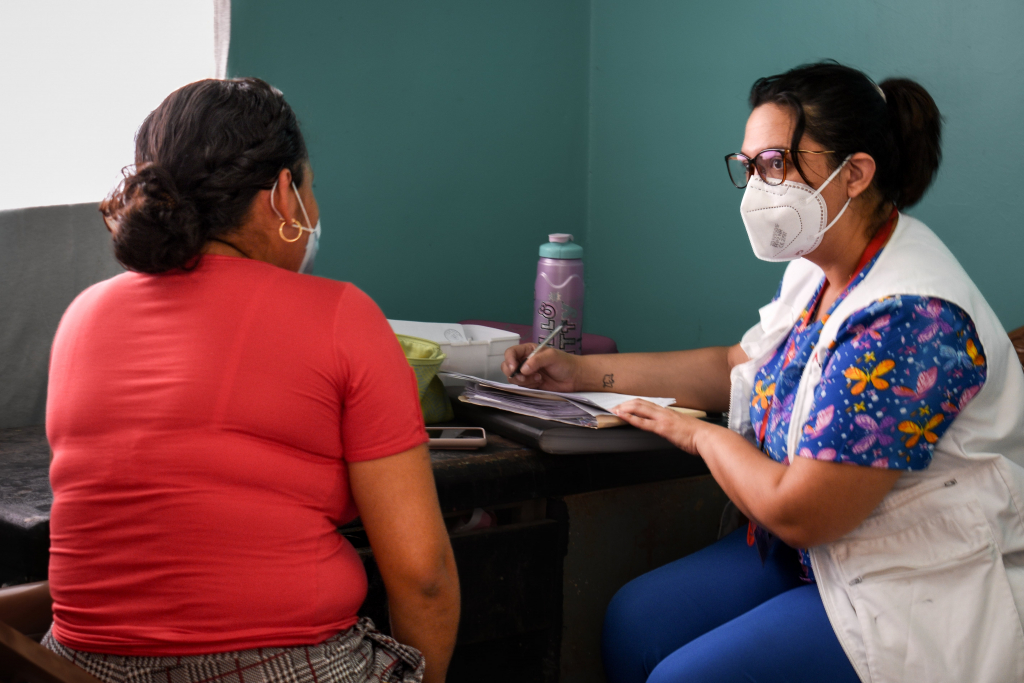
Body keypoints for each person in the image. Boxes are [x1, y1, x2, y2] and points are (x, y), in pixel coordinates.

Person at [502, 62, 1024, 683]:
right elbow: (737, 366)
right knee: (635, 619)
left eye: (775, 164)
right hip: (814, 555)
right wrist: (581, 370)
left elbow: (803, 512)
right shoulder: (820, 266)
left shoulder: (911, 317)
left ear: (854, 173)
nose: (757, 187)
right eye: (748, 167)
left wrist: (699, 435)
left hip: (909, 581)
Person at [43, 78, 459, 683]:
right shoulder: (342, 316)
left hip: (76, 668)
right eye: (311, 189)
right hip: (281, 666)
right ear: (284, 195)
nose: (313, 213)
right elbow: (424, 576)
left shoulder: (83, 316)